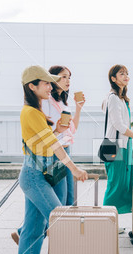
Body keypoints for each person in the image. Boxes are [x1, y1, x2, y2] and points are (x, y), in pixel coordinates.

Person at [17, 65, 88, 254]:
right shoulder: (31, 112)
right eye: (46, 83)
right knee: (60, 221)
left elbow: (43, 141)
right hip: (34, 176)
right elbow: (54, 146)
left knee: (33, 229)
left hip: (36, 174)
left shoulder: (35, 112)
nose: (50, 86)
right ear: (32, 86)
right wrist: (75, 169)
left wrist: (56, 129)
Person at [102, 64, 133, 233]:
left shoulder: (121, 98)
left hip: (124, 147)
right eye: (121, 74)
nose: (126, 76)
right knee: (116, 185)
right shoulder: (113, 98)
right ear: (113, 78)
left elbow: (121, 124)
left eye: (127, 74)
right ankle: (108, 223)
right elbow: (117, 125)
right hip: (115, 148)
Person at [45, 65, 85, 206]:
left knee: (70, 195)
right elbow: (47, 131)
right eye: (63, 77)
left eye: (69, 77)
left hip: (65, 150)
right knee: (59, 194)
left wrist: (78, 109)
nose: (67, 81)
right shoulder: (48, 100)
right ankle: (54, 227)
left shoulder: (63, 102)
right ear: (53, 79)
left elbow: (71, 130)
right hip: (55, 152)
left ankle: (67, 227)